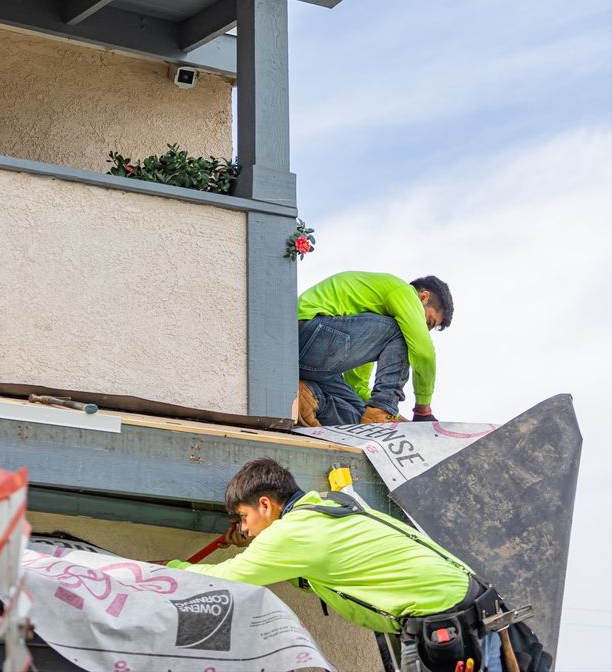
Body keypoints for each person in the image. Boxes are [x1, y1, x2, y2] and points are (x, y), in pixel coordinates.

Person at [167, 458, 504, 672]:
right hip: (471, 608)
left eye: (243, 517)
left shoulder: (290, 533)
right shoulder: (327, 509)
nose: (243, 529)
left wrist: (168, 569)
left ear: (266, 504)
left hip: (442, 627)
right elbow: (320, 572)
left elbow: (228, 578)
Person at [297, 272, 453, 427]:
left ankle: (310, 398)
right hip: (304, 333)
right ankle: (383, 408)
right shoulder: (403, 291)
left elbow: (357, 385)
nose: (422, 330)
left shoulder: (368, 326)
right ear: (424, 297)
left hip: (308, 358)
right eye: (428, 322)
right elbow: (423, 352)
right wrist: (422, 411)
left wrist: (396, 419)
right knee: (402, 332)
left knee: (364, 421)